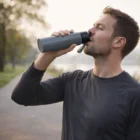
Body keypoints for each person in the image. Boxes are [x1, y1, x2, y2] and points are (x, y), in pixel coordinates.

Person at [11, 6, 140, 140]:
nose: (90, 31)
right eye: (93, 26)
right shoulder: (72, 81)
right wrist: (48, 55)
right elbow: (22, 96)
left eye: (100, 27)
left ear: (118, 42)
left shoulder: (134, 95)